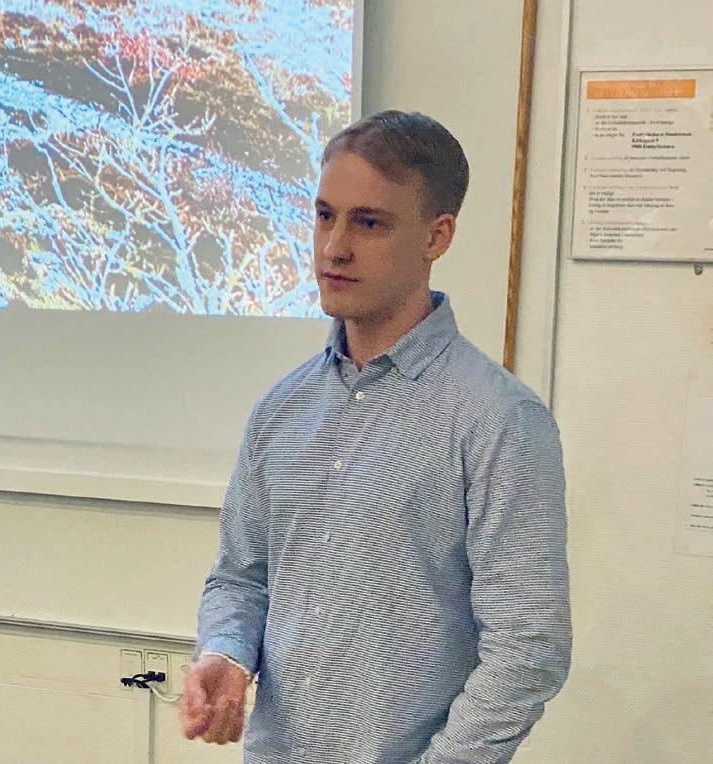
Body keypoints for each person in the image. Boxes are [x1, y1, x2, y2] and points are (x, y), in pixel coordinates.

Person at [180, 110, 571, 763]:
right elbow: (241, 577)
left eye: (368, 223)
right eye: (324, 215)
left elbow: (529, 647)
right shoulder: (281, 410)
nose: (334, 247)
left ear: (437, 236)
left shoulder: (499, 420)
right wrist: (226, 654)